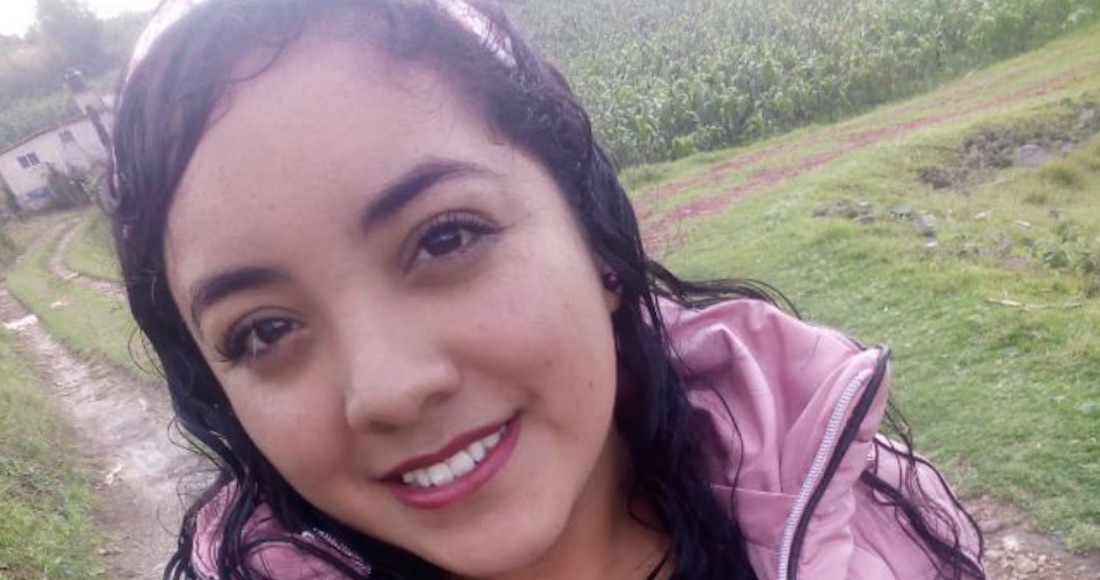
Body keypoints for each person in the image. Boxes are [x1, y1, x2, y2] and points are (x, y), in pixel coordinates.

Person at [109, 0, 986, 578]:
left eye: (445, 238)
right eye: (262, 332)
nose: (390, 389)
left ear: (591, 231)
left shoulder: (862, 516)